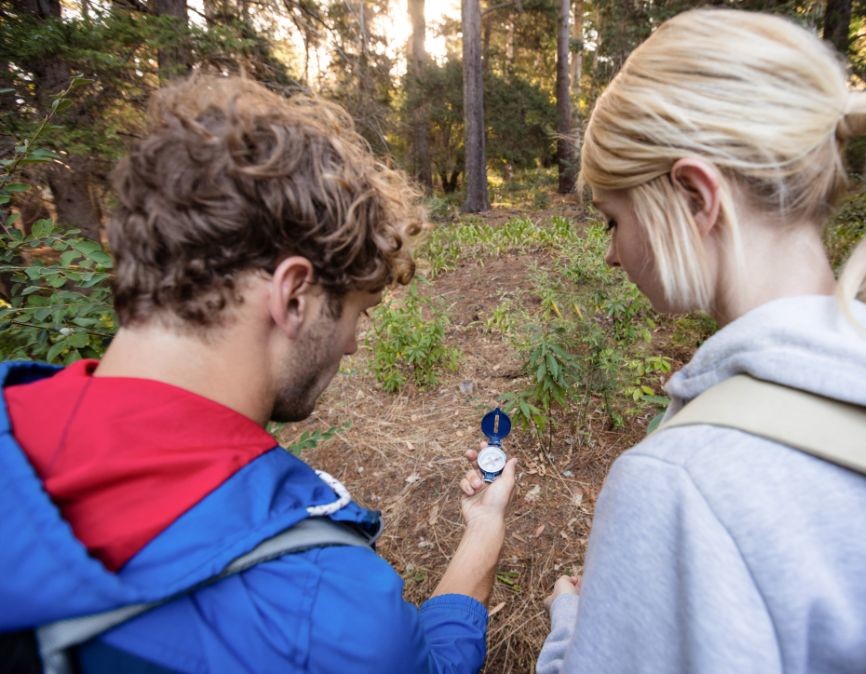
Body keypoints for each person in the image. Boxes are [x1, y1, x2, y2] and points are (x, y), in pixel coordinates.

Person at [537, 9, 866, 674]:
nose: (613, 255)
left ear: (697, 197)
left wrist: (572, 633)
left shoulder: (684, 486)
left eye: (613, 220)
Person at [0, 75, 517, 673]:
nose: (351, 345)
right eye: (357, 313)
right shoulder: (319, 607)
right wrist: (485, 529)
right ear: (294, 295)